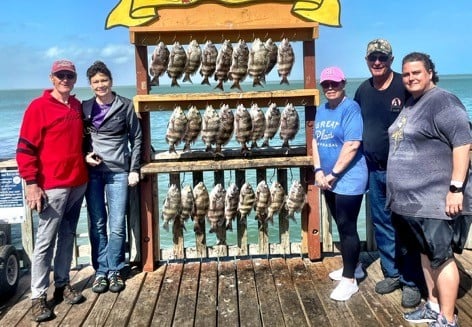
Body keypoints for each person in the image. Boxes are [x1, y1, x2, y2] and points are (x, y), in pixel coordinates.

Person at [387, 52, 472, 327]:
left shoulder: (443, 101)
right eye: (407, 74)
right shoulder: (413, 104)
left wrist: (456, 188)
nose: (410, 78)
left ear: (430, 73)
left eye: (416, 73)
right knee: (425, 254)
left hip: (435, 201)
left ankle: (447, 319)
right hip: (411, 203)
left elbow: (463, 143)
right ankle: (433, 307)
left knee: (441, 258)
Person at [16, 59, 88, 322]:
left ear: (75, 78)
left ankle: (62, 283)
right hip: (52, 186)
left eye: (69, 75)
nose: (65, 79)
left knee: (67, 235)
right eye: (60, 75)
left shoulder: (78, 106)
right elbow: (24, 149)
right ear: (51, 78)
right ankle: (37, 296)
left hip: (78, 182)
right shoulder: (38, 107)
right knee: (45, 242)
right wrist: (32, 184)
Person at [354, 38, 423, 308]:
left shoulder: (403, 85)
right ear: (367, 61)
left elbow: (427, 115)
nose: (377, 62)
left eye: (382, 57)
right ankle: (392, 273)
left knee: (406, 226)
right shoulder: (363, 90)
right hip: (374, 170)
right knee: (382, 224)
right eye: (373, 58)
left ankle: (411, 281)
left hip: (404, 170)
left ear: (391, 60)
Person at [82, 61, 142, 294]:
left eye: (103, 80)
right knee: (97, 224)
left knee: (116, 225)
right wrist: (85, 156)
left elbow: (136, 138)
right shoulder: (85, 108)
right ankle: (100, 271)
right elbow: (80, 140)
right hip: (93, 173)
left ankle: (116, 269)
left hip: (118, 173)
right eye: (96, 82)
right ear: (90, 84)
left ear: (111, 81)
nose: (100, 85)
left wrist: (134, 169)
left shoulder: (125, 106)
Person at [312, 66, 368, 301]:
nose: (330, 88)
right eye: (326, 84)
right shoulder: (322, 109)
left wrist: (333, 173)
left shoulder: (351, 108)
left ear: (343, 83)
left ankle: (350, 281)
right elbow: (316, 141)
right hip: (327, 179)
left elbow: (353, 144)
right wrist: (317, 170)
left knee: (347, 227)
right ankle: (353, 267)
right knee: (339, 224)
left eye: (335, 83)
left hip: (349, 177)